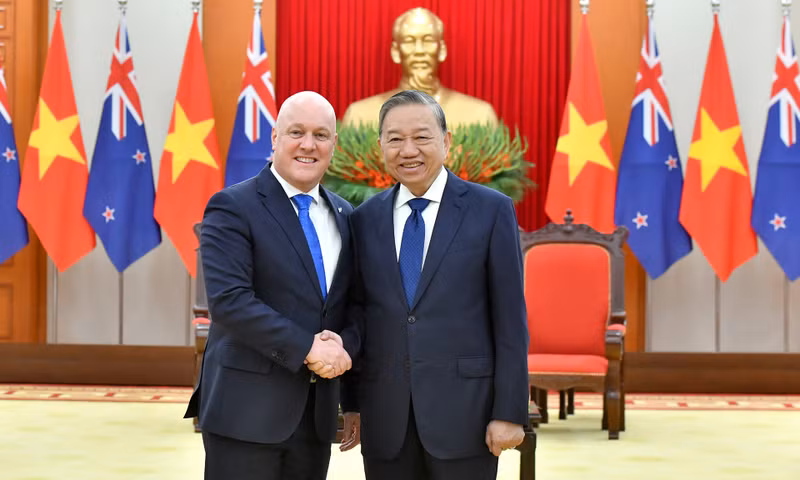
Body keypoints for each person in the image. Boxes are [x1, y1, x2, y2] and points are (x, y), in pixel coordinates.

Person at [339, 90, 529, 480]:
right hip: (386, 418)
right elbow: (358, 313)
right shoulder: (364, 219)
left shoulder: (490, 211)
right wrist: (352, 403)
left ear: (446, 141)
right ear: (380, 146)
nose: (408, 150)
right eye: (395, 139)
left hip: (466, 416)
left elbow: (510, 321)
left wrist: (509, 412)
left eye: (421, 137)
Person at [184, 91, 354, 480]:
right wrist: (308, 348)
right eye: (296, 132)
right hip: (245, 413)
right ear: (275, 137)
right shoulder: (232, 207)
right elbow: (231, 302)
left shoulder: (346, 215)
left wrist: (347, 354)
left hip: (315, 416)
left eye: (321, 135)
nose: (308, 145)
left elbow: (353, 306)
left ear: (333, 144)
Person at [341, 7, 498, 128]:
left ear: (441, 50)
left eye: (428, 40)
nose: (419, 50)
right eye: (409, 41)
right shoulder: (359, 116)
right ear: (395, 52)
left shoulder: (479, 116)